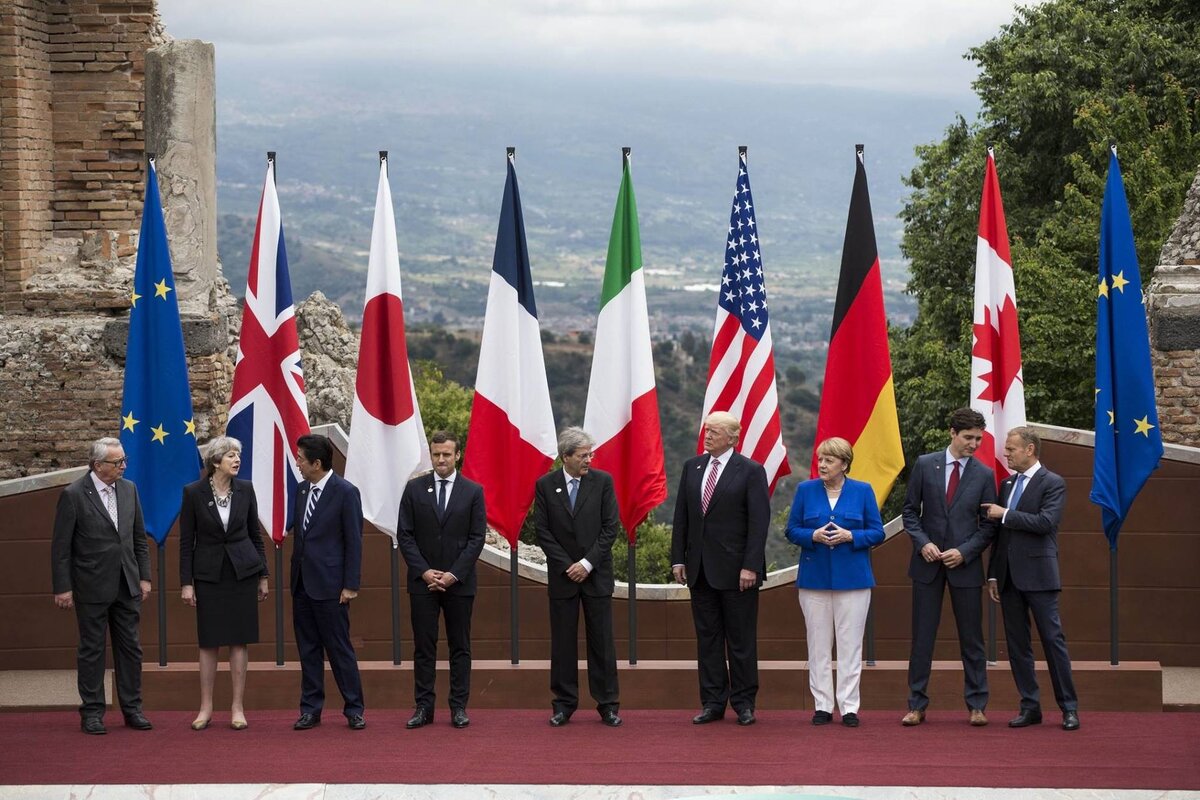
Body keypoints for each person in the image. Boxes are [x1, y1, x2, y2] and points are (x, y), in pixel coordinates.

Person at [671, 411, 769, 726]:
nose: (708, 436)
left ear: (732, 437)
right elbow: (682, 516)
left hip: (738, 572)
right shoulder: (693, 466)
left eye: (714, 431)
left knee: (740, 641)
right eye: (707, 430)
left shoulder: (751, 470)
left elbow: (759, 523)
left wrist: (750, 566)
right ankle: (713, 702)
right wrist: (678, 558)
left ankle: (744, 703)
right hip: (699, 570)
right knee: (708, 640)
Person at [50, 437, 153, 735]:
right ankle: (93, 712)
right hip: (91, 585)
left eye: (124, 460)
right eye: (117, 462)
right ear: (97, 465)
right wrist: (63, 587)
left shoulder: (129, 489)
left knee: (130, 648)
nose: (123, 466)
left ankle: (132, 709)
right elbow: (61, 548)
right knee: (92, 650)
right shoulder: (73, 494)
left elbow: (138, 539)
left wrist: (144, 577)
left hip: (127, 583)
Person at [901, 408, 997, 726]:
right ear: (952, 433)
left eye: (978, 439)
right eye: (968, 437)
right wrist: (923, 543)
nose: (974, 444)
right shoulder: (925, 464)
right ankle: (916, 705)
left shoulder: (984, 474)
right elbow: (910, 512)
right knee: (922, 638)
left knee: (972, 639)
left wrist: (964, 552)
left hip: (965, 567)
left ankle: (977, 706)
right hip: (926, 566)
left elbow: (988, 525)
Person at [983, 426, 1079, 731]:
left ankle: (1069, 708)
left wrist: (1005, 514)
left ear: (1030, 449)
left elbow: (1045, 522)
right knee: (1017, 645)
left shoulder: (1053, 483)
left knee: (1052, 641)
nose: (1006, 454)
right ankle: (1030, 706)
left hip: (1039, 576)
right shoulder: (1007, 484)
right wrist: (993, 575)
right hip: (1008, 578)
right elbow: (1000, 537)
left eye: (1011, 449)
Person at [784, 437, 885, 727]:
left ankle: (849, 707)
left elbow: (877, 532)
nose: (822, 465)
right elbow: (792, 529)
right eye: (820, 459)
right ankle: (823, 706)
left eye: (829, 460)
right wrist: (812, 535)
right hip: (814, 579)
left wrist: (851, 536)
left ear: (844, 464)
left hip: (853, 580)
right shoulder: (805, 490)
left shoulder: (863, 491)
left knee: (850, 645)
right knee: (818, 645)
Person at [396, 430, 486, 730]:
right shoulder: (414, 489)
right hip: (423, 583)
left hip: (459, 583)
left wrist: (453, 574)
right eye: (436, 454)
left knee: (460, 646)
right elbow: (405, 535)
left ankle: (458, 707)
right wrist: (425, 571)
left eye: (447, 454)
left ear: (457, 455)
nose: (441, 459)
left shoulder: (473, 491)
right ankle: (424, 707)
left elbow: (476, 538)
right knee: (424, 647)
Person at [179, 436, 269, 731]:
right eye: (231, 455)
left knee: (239, 639)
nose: (237, 459)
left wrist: (263, 575)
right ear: (215, 461)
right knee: (209, 641)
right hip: (209, 575)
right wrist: (187, 583)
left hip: (243, 572)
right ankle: (205, 707)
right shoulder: (193, 493)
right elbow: (186, 542)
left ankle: (237, 707)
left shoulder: (246, 489)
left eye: (238, 455)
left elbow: (255, 535)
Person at [533, 427, 621, 728]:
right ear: (565, 457)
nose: (589, 460)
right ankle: (563, 705)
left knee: (602, 644)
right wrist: (568, 565)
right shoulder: (546, 485)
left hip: (596, 576)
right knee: (563, 644)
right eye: (583, 456)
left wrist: (586, 563)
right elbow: (542, 530)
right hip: (563, 578)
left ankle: (608, 705)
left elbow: (610, 527)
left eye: (590, 455)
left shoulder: (603, 482)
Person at [289, 433, 366, 731]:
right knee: (308, 650)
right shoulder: (301, 490)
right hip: (302, 585)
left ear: (317, 463)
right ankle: (310, 709)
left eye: (301, 459)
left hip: (332, 587)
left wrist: (351, 585)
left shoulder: (345, 492)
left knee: (339, 649)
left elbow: (354, 541)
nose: (297, 463)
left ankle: (354, 709)